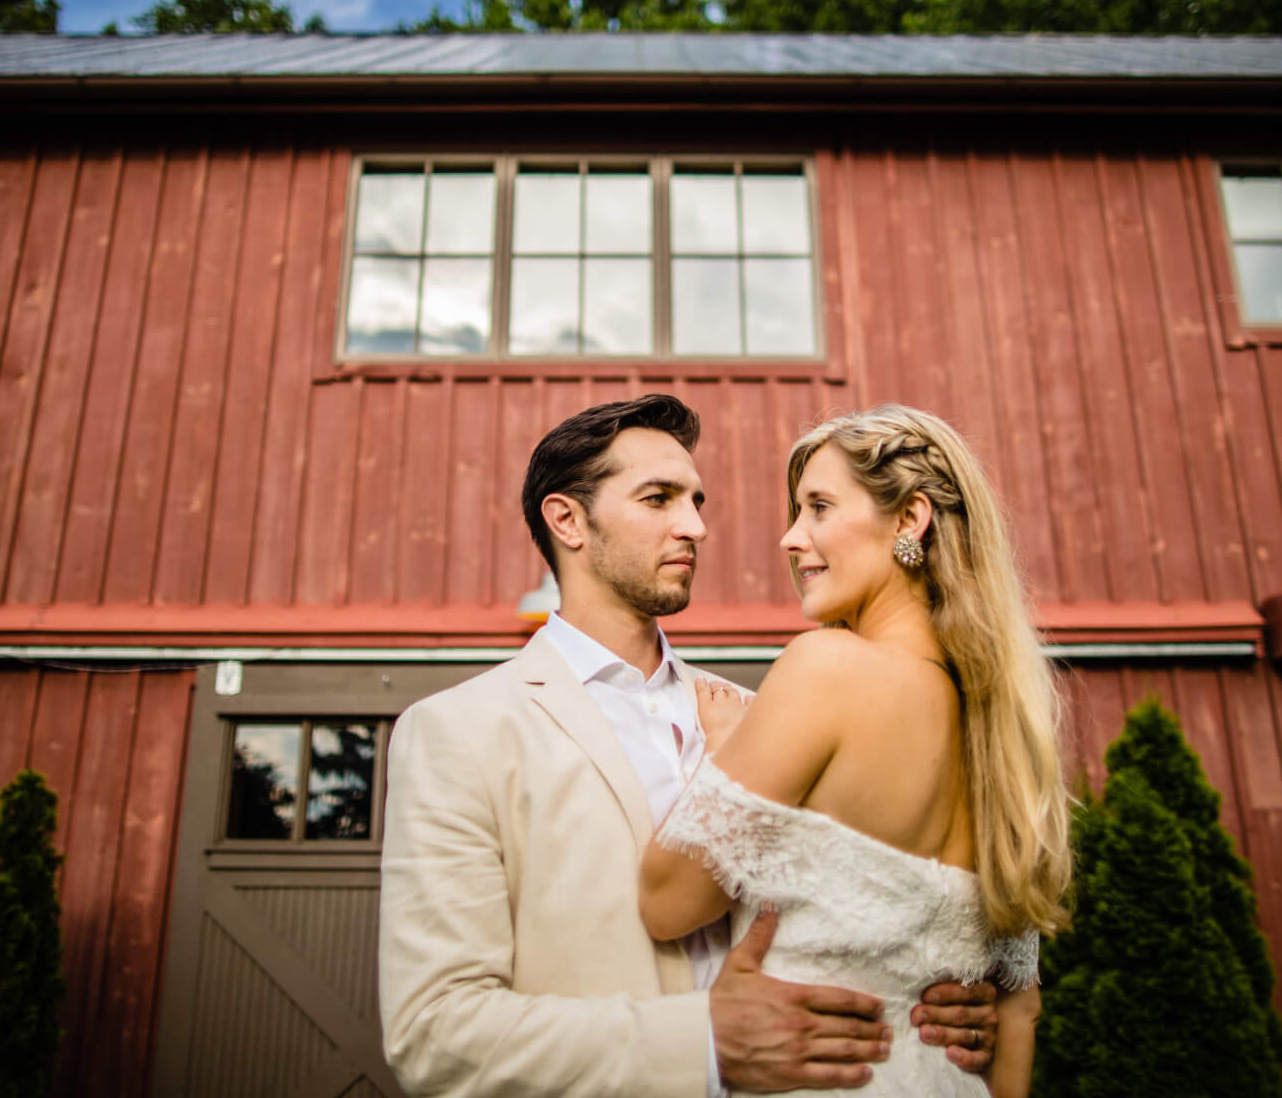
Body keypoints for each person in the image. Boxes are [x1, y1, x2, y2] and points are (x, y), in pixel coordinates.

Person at [378, 394, 1002, 1097]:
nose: (696, 525)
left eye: (696, 500)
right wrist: (702, 1044)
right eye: (659, 498)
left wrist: (952, 994)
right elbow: (433, 1032)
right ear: (567, 520)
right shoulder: (458, 732)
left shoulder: (769, 714)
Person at [639, 404, 1073, 1097]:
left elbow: (665, 902)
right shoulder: (1007, 736)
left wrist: (723, 749)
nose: (790, 537)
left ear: (910, 520)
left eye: (818, 506)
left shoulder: (827, 669)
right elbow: (1019, 1010)